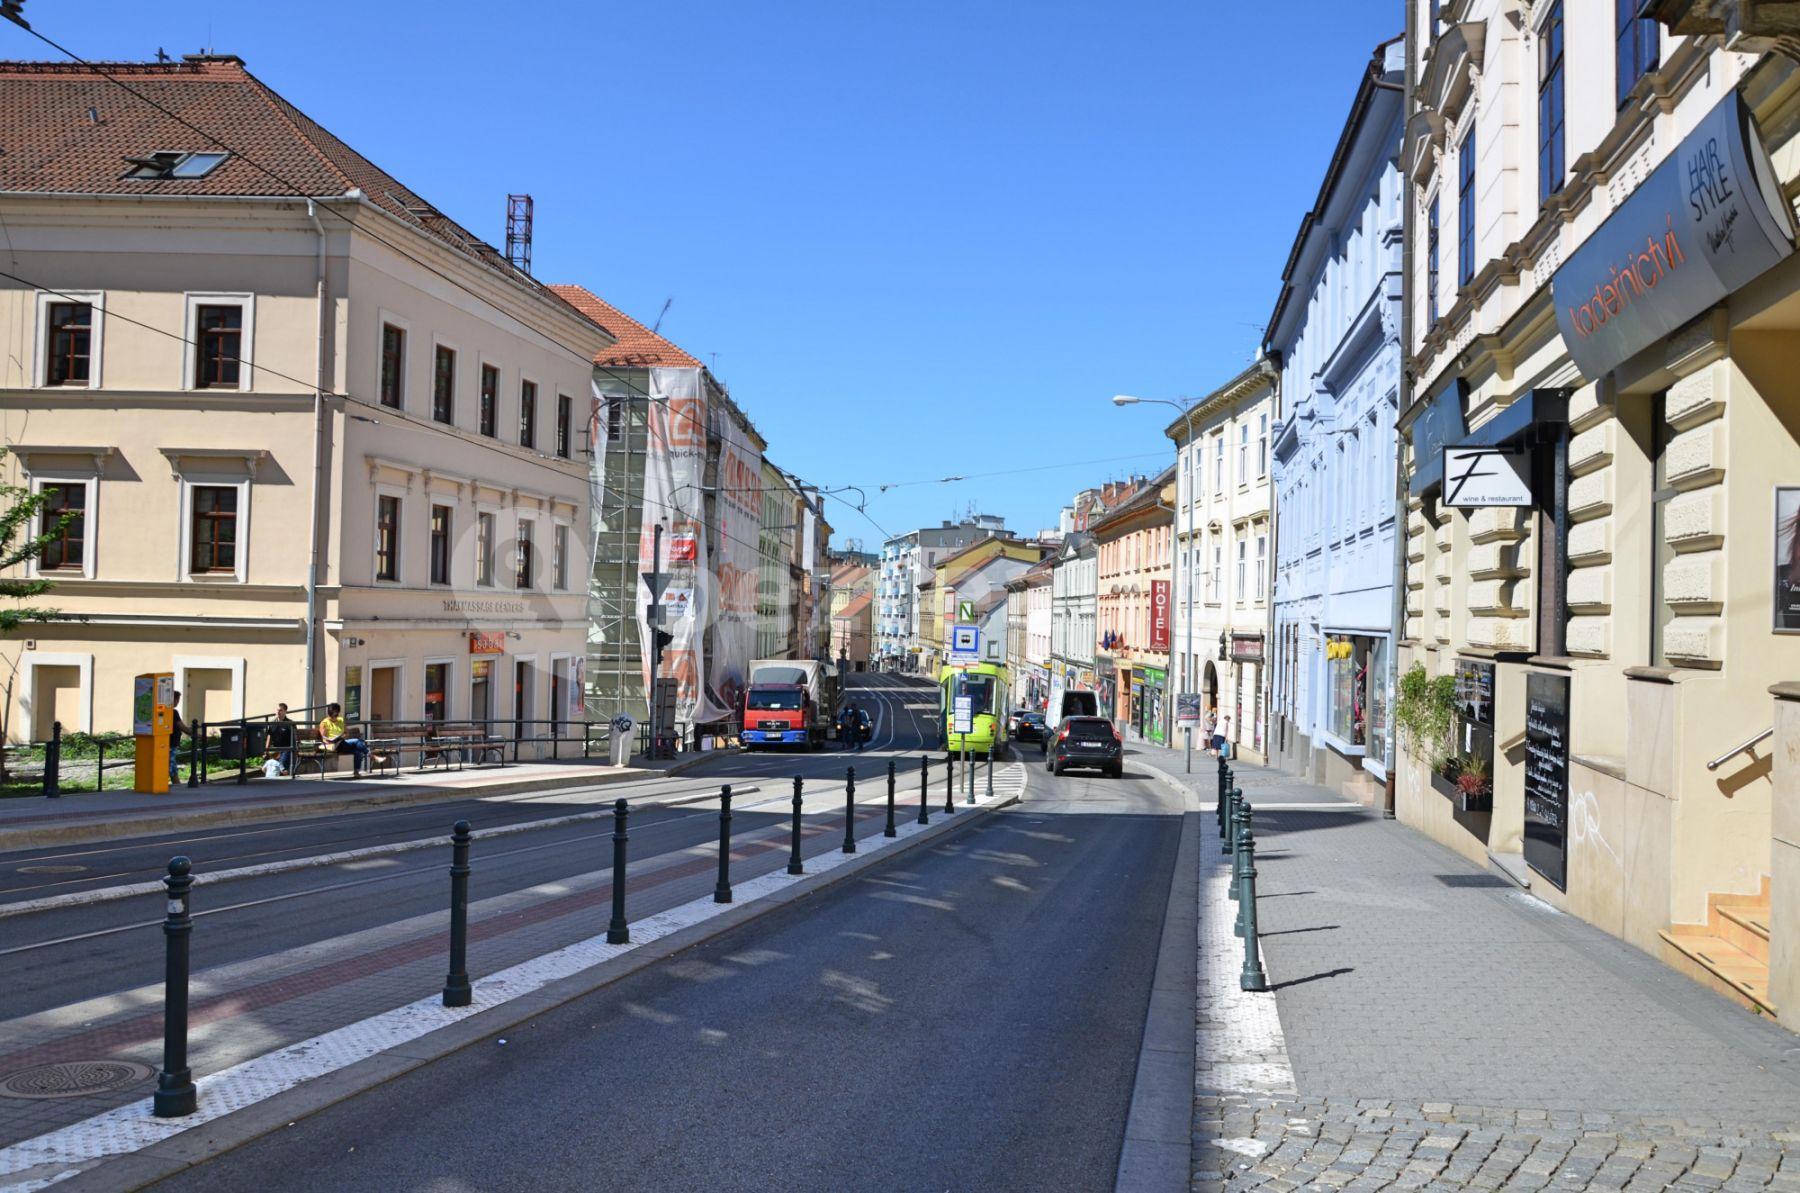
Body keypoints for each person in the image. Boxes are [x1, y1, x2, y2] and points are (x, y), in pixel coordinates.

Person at [318, 702, 370, 775]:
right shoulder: (324, 723)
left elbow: (346, 733)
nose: (335, 716)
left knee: (357, 751)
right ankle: (370, 754)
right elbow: (323, 738)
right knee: (357, 741)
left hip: (342, 744)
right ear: (329, 713)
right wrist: (330, 740)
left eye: (336, 714)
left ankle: (356, 772)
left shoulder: (341, 720)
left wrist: (343, 736)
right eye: (333, 714)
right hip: (333, 746)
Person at [266, 702, 297, 774]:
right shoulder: (272, 723)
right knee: (275, 765)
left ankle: (283, 774)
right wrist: (266, 750)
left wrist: (295, 750)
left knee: (281, 765)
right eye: (277, 710)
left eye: (280, 710)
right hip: (275, 749)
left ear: (285, 712)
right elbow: (269, 737)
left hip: (287, 749)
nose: (278, 712)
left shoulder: (290, 723)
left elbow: (295, 738)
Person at [167, 691, 186, 784]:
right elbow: (181, 726)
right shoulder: (174, 712)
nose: (178, 702)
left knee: (172, 764)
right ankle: (163, 782)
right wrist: (192, 733)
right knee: (170, 764)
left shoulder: (167, 711)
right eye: (177, 700)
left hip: (169, 741)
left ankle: (177, 784)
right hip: (172, 743)